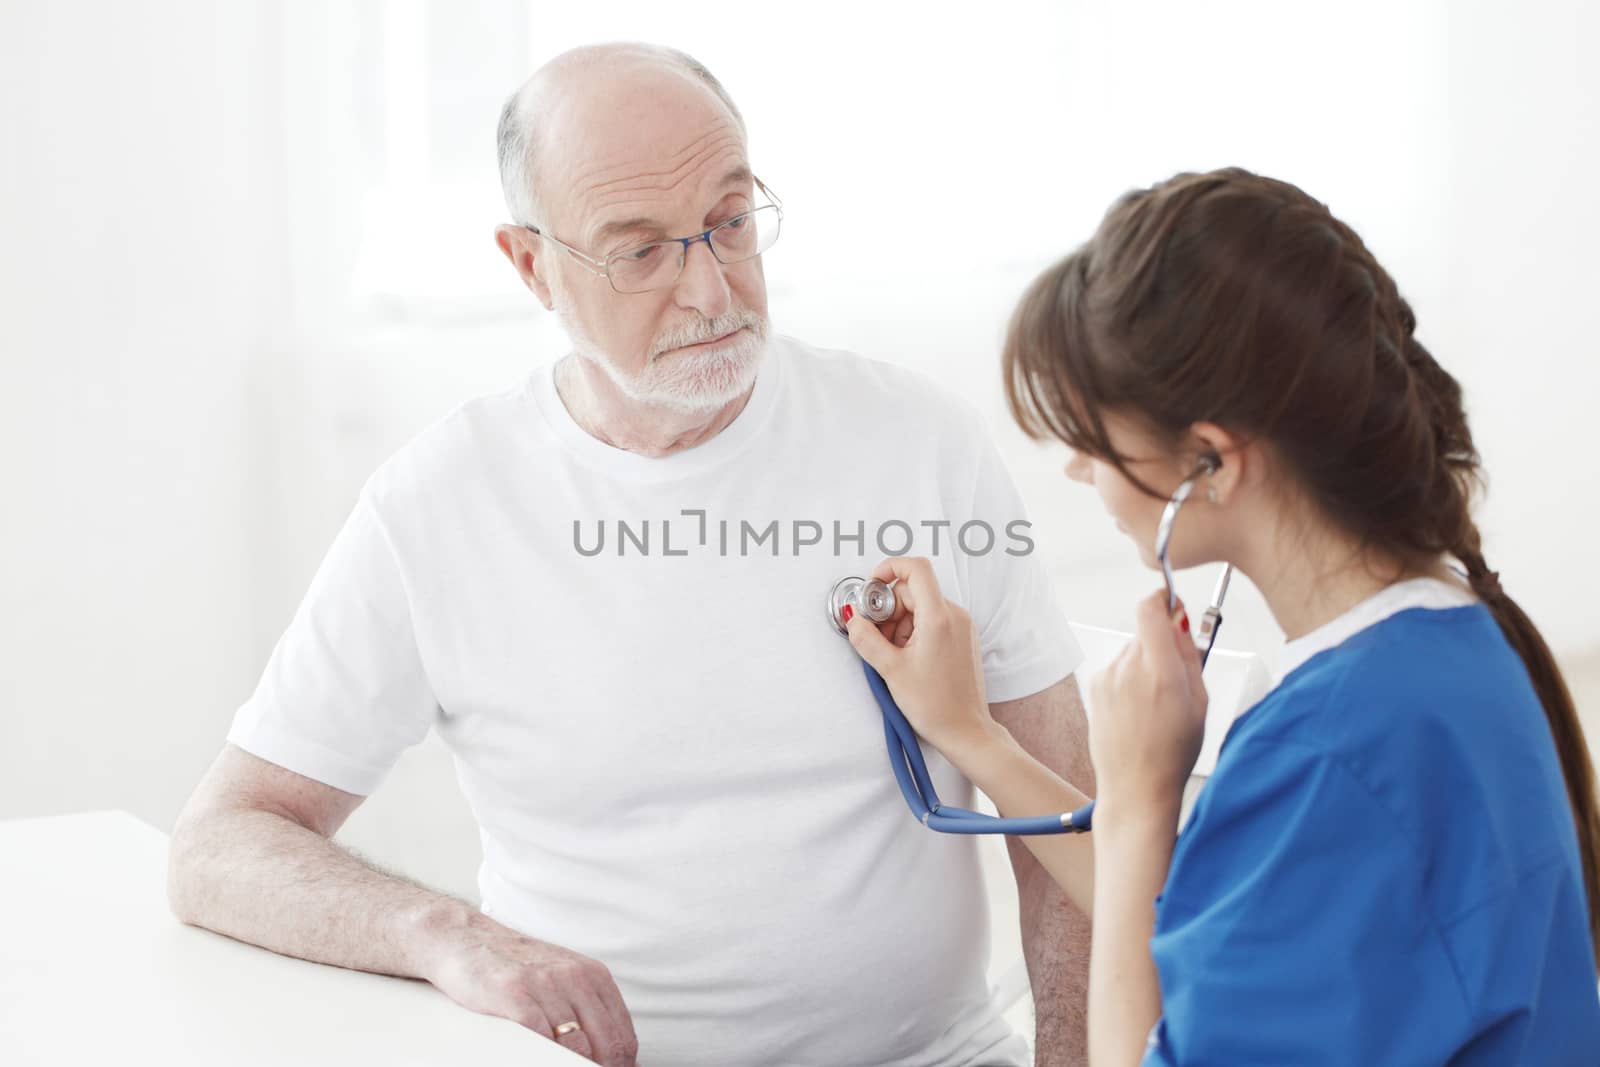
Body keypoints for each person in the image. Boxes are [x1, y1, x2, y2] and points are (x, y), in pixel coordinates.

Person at [167, 42, 1097, 1067]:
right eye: (640, 250)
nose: (710, 287)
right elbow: (221, 842)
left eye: (731, 222)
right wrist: (447, 939)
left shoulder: (921, 444)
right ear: (531, 266)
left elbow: (1064, 808)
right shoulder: (435, 508)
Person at [843, 167, 1600, 1064]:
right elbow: (1201, 920)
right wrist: (974, 736)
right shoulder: (1447, 642)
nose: (1081, 474)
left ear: (1209, 461)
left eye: (1092, 439)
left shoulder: (1338, 754)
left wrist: (1136, 796)